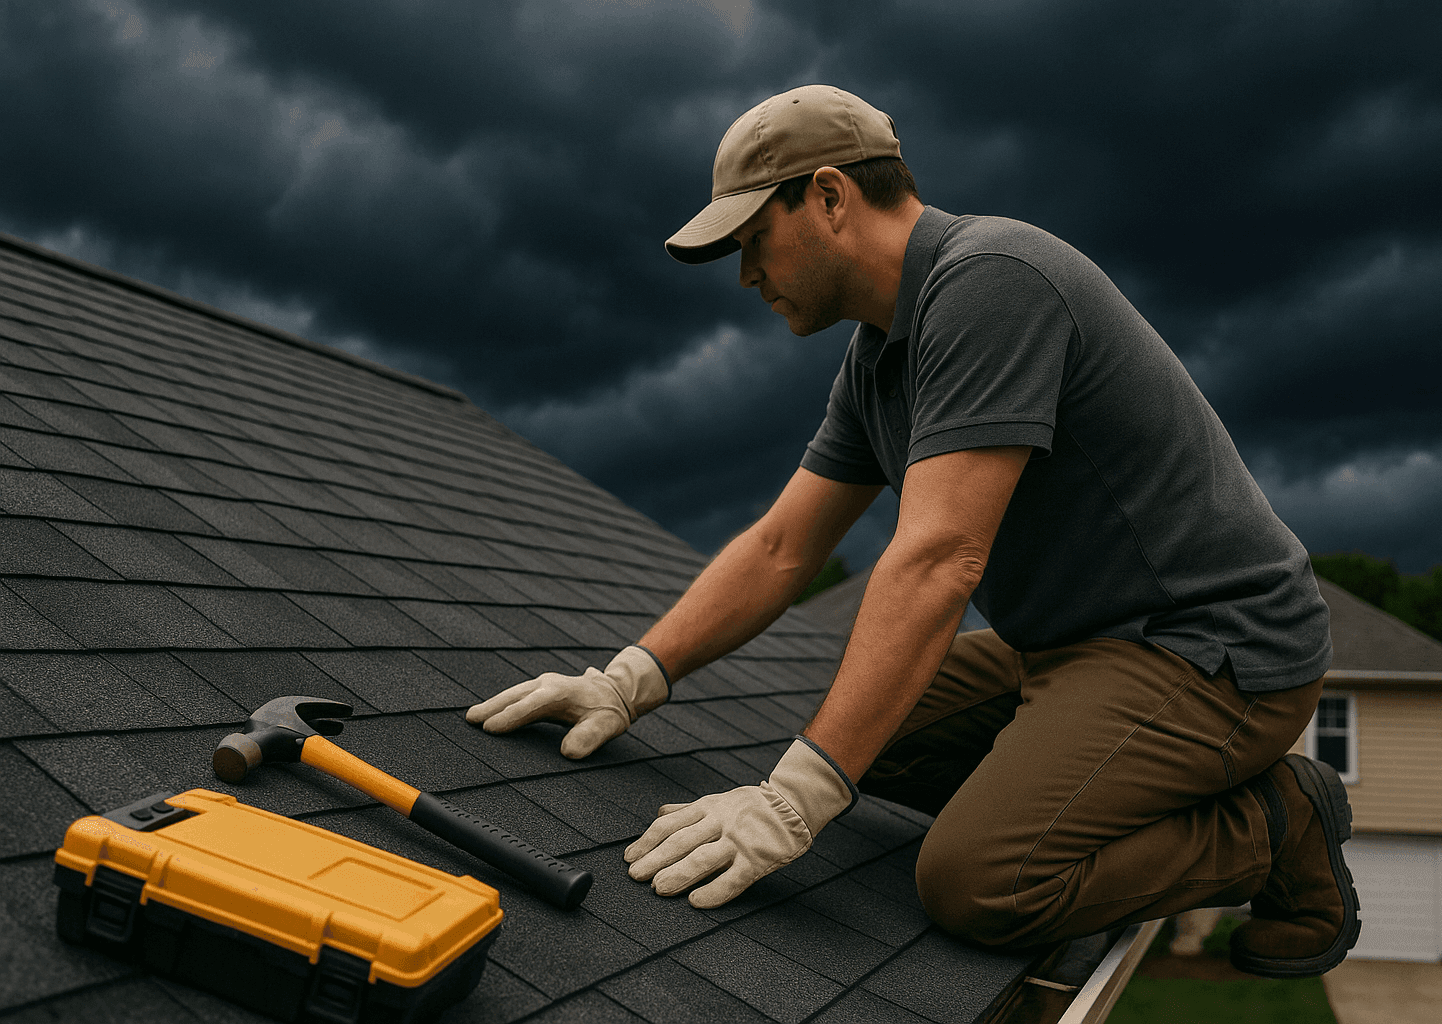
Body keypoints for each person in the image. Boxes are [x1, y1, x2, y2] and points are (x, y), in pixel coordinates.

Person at [467, 84, 1360, 978]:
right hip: (1067, 648)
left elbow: (939, 559)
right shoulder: (879, 359)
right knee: (865, 736)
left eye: (752, 242)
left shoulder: (993, 282)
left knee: (980, 882)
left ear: (828, 196)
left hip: (1212, 654)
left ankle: (1277, 823)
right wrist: (625, 682)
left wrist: (792, 802)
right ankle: (1108, 771)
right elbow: (784, 547)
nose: (746, 276)